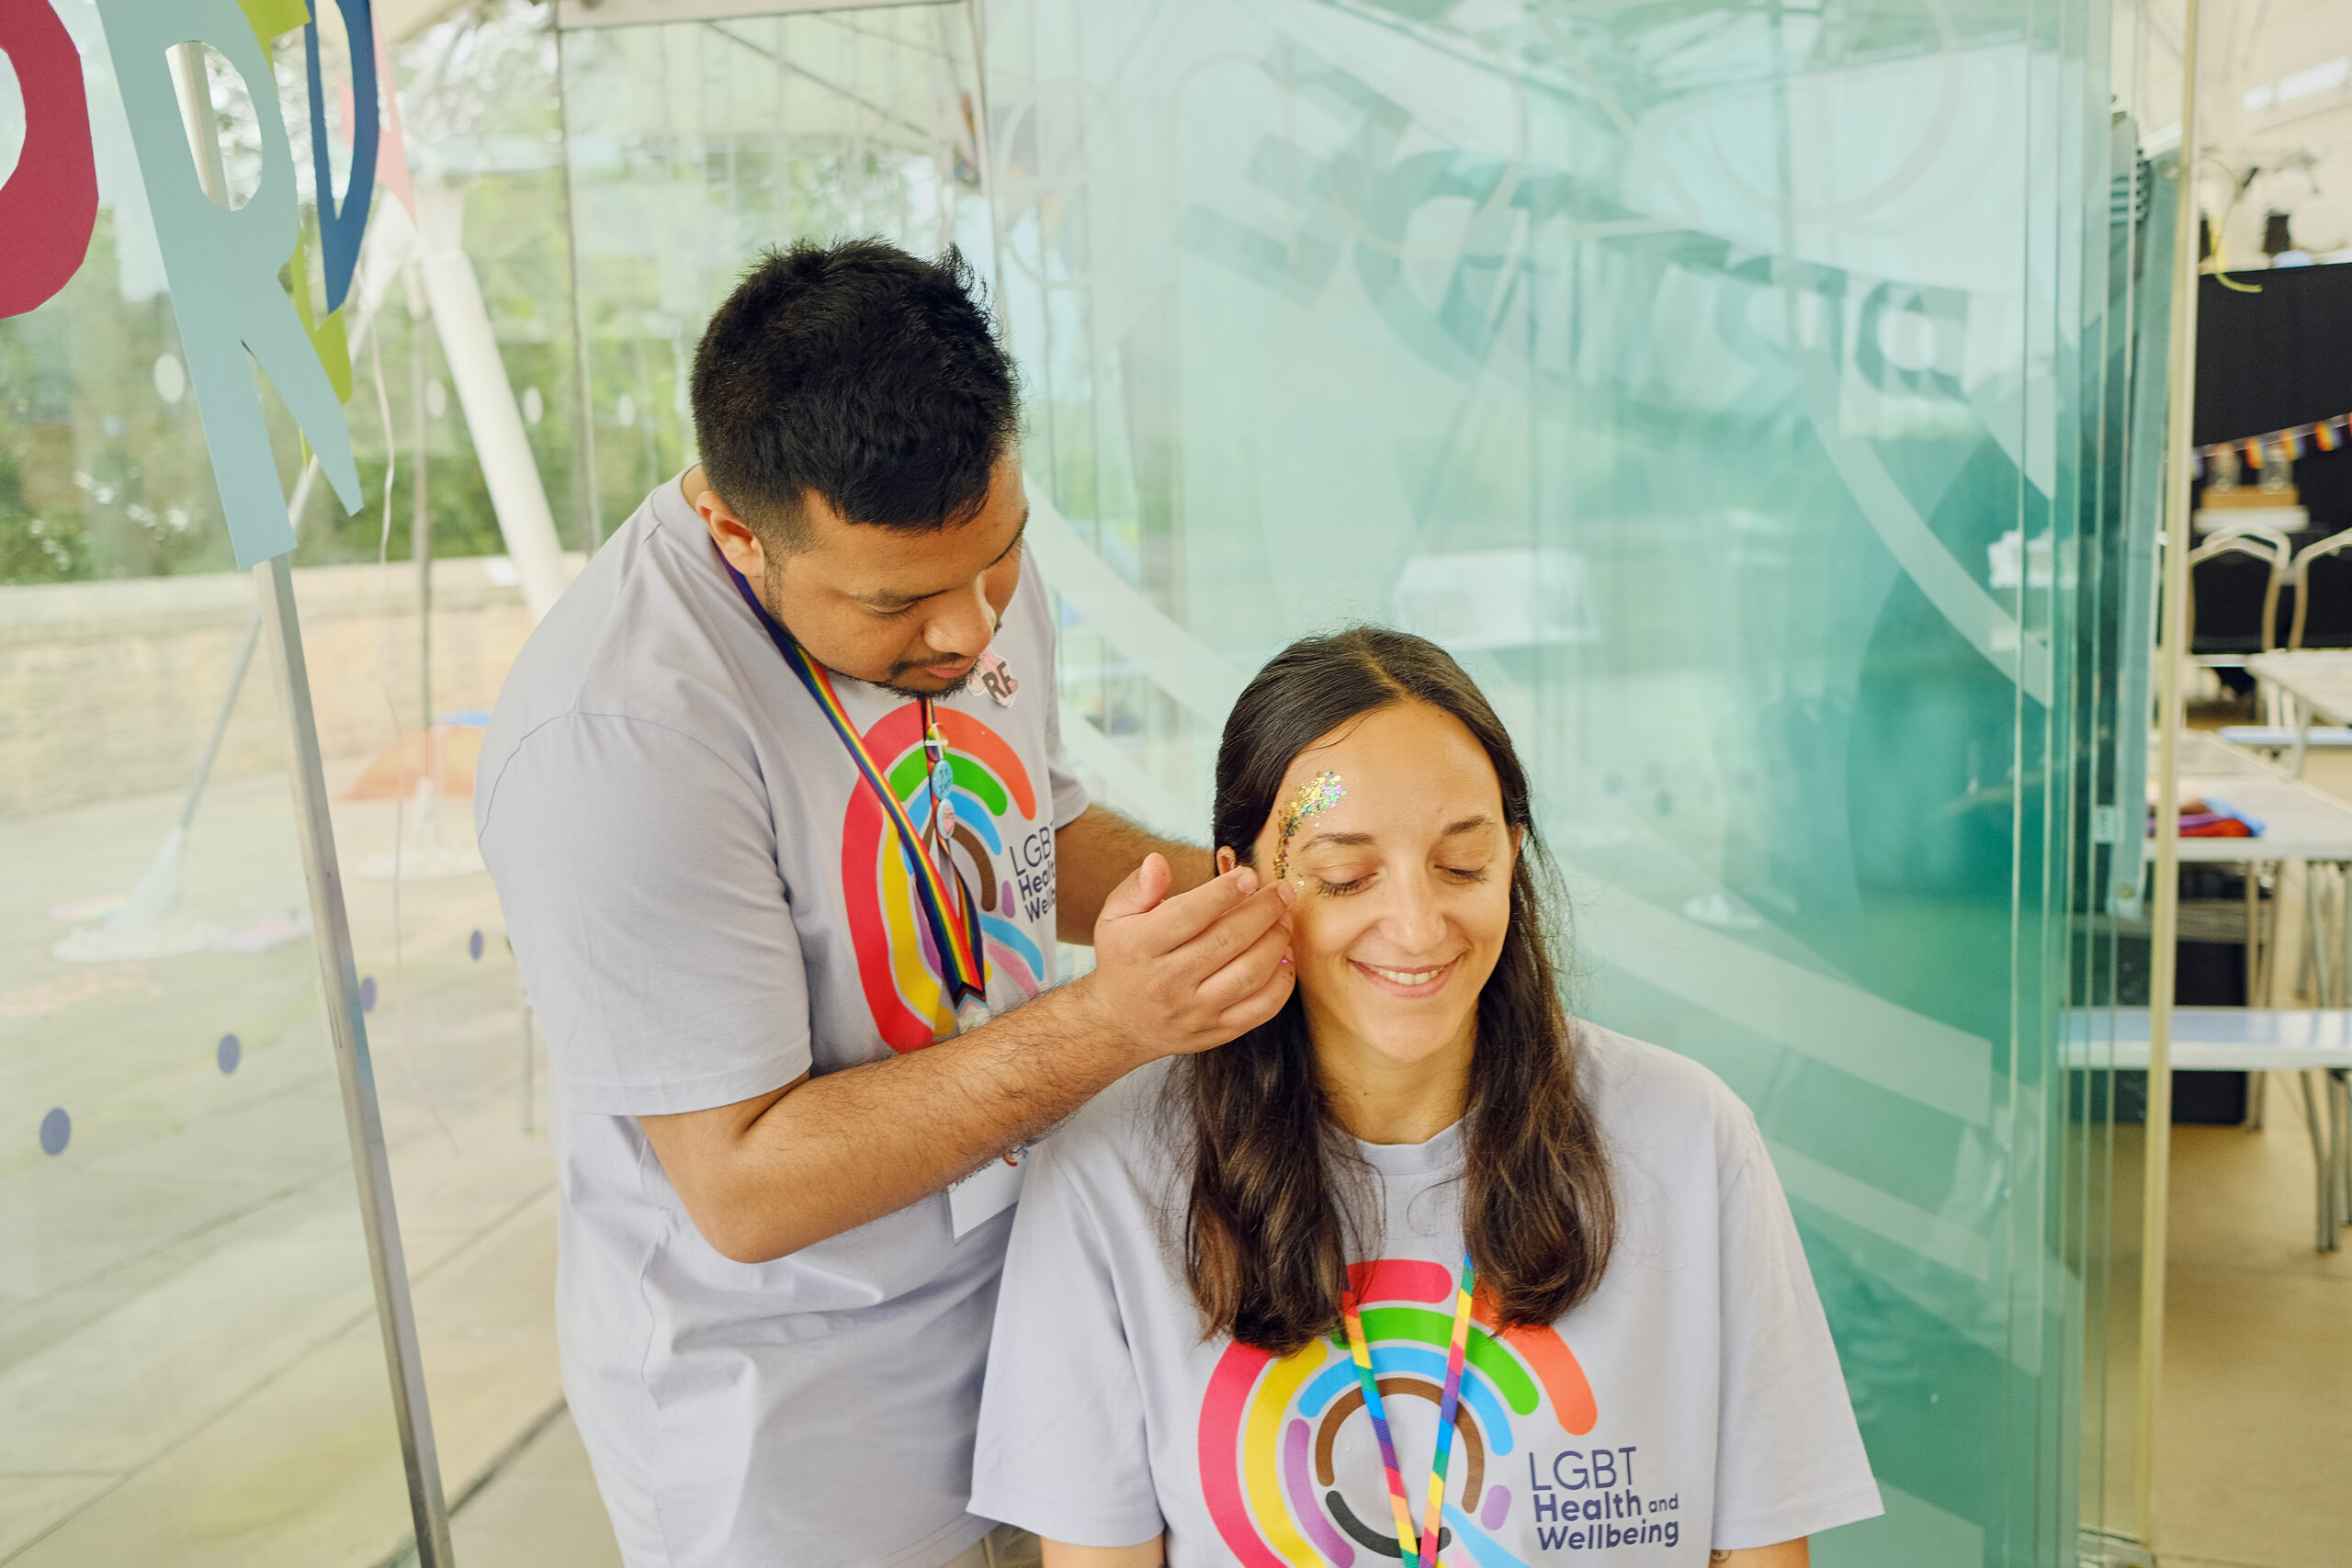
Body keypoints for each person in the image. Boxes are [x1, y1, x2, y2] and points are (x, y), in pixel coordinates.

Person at [475, 240, 1297, 1568]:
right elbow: (745, 1183)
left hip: (1036, 1337)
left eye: (1001, 559)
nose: (968, 632)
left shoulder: (958, 560)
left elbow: (1034, 830)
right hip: (806, 1437)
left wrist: (1270, 894)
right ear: (737, 532)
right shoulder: (618, 738)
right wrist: (1117, 1021)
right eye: (900, 603)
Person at [969, 627, 1882, 1565]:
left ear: (1513, 857)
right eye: (1344, 876)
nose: (1415, 927)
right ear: (1240, 879)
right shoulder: (1111, 1175)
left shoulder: (1688, 1141)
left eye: (1462, 865)